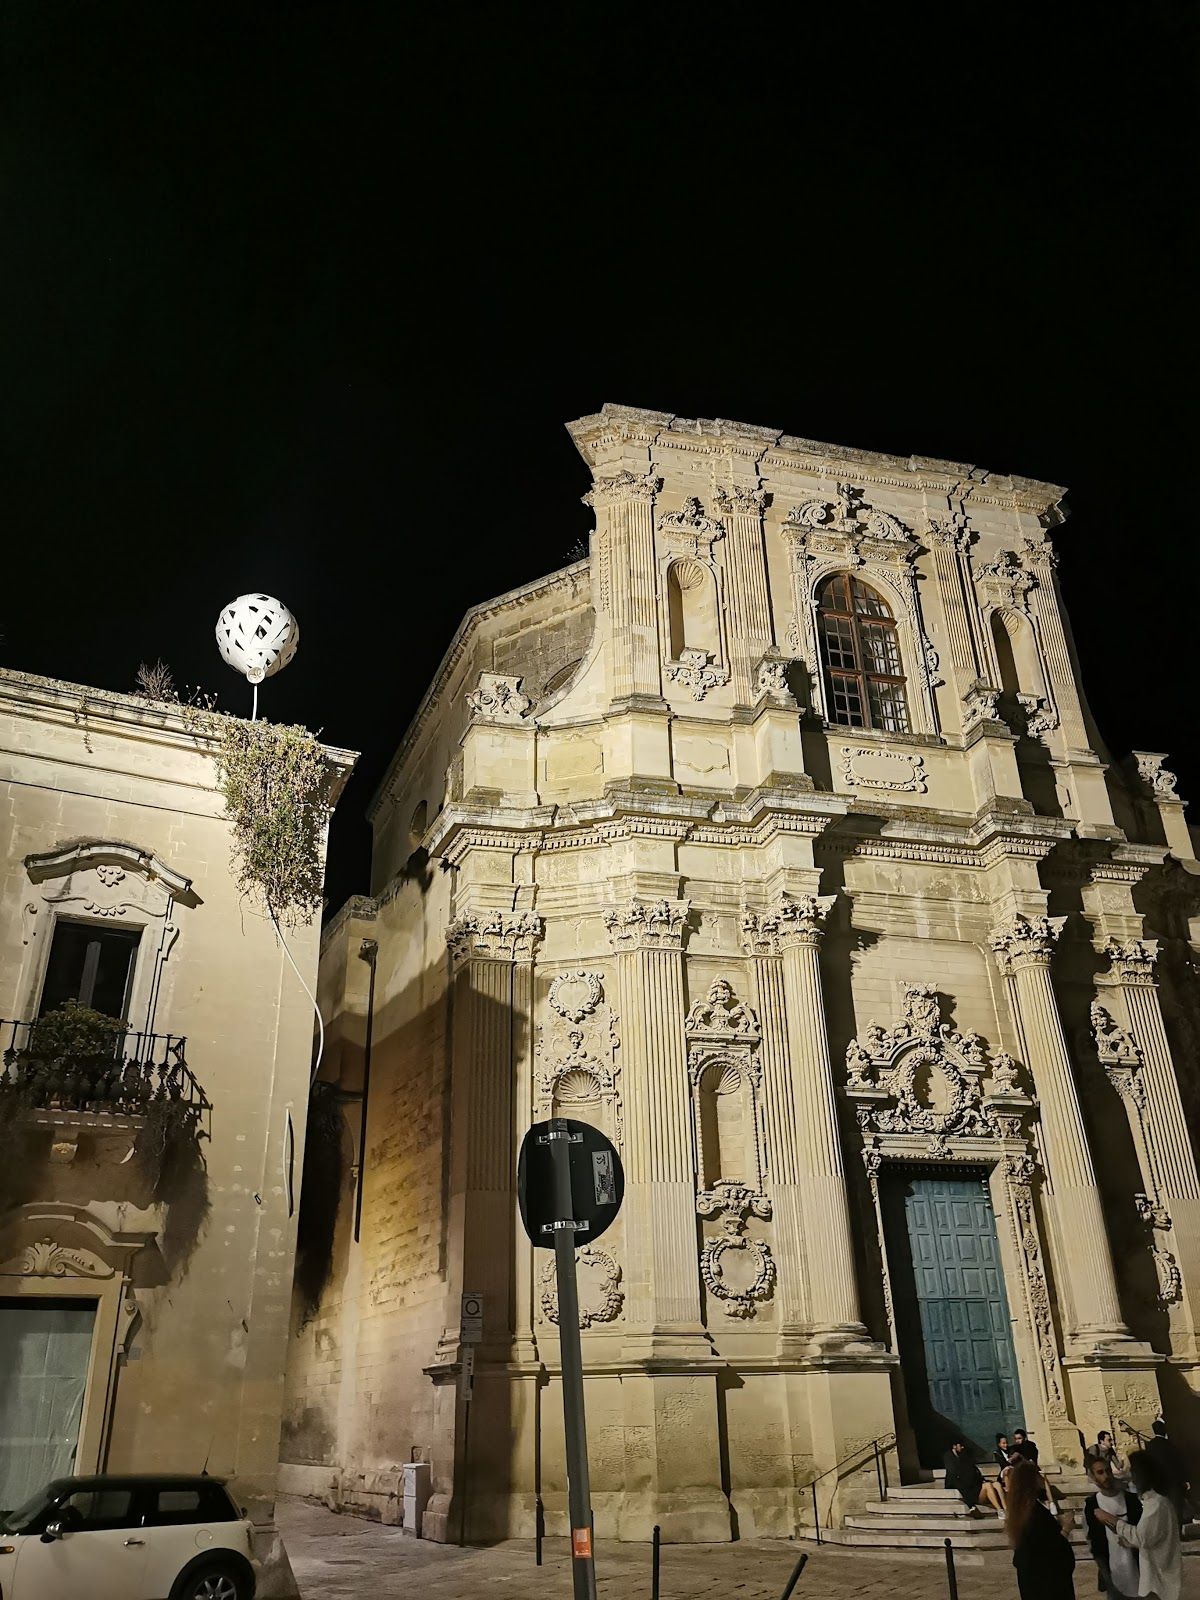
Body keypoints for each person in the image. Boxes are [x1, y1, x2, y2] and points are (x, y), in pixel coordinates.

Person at [1094, 1449, 1182, 1600]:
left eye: (1133, 1473)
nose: (1131, 1479)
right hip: (1156, 1578)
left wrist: (1111, 1519)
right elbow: (1151, 1537)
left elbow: (1142, 1537)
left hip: (1158, 1581)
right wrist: (1131, 1542)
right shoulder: (1154, 1502)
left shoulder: (1156, 1504)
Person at [1007, 1458, 1076, 1600]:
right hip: (1048, 1586)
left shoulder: (1021, 1512)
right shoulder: (1035, 1514)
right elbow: (1051, 1552)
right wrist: (1066, 1529)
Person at [1083, 1452, 1140, 1597]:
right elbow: (1093, 1541)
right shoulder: (1091, 1505)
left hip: (1138, 1569)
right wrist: (1105, 1574)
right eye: (1100, 1472)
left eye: (1108, 1471)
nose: (1106, 1476)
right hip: (1112, 1571)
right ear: (1094, 1477)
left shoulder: (1131, 1500)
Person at [1145, 1419, 1191, 1528]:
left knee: (1162, 1509)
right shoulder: (1170, 1445)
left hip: (1157, 1482)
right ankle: (1177, 1533)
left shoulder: (1150, 1446)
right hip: (1173, 1482)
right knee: (1176, 1508)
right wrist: (1185, 1479)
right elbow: (1179, 1463)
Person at [944, 1439, 1005, 1516]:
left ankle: (1006, 1508)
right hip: (966, 1487)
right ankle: (999, 1510)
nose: (962, 1447)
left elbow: (975, 1473)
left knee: (997, 1484)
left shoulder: (964, 1458)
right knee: (988, 1485)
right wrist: (970, 1504)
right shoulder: (950, 1458)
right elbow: (955, 1478)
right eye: (960, 1446)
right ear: (954, 1446)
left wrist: (983, 1480)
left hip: (974, 1484)